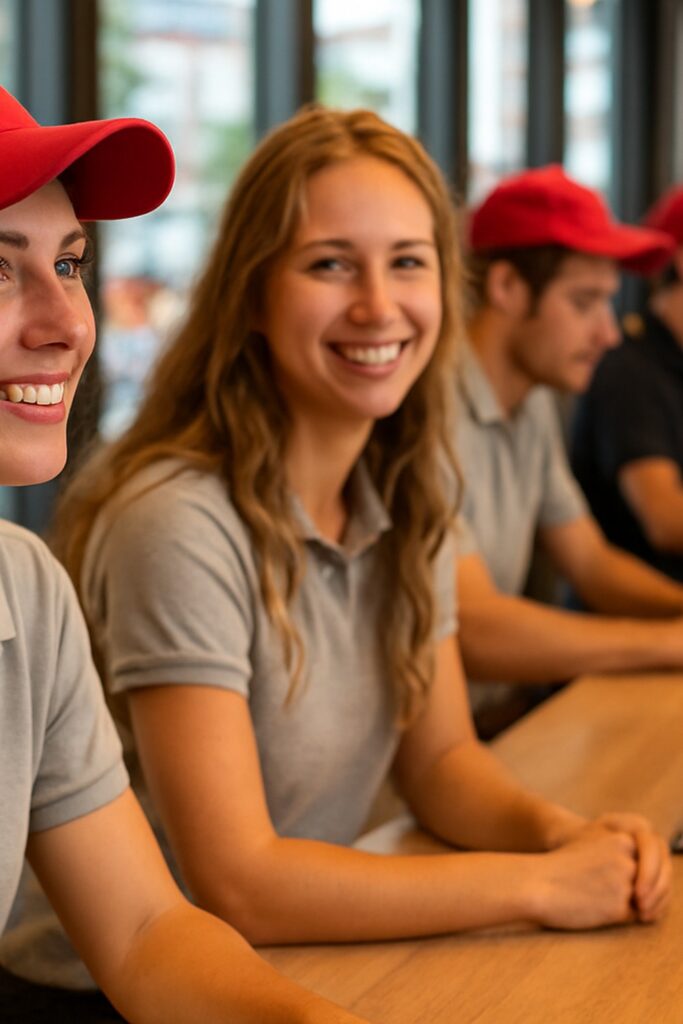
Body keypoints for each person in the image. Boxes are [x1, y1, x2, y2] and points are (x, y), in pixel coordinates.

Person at [4, 107, 671, 986]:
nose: (378, 305)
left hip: (288, 954)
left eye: (407, 262)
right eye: (330, 265)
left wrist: (565, 835)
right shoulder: (177, 519)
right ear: (249, 295)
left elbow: (438, 761)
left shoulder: (406, 490)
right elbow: (233, 887)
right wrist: (541, 883)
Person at [0, 85, 371, 1024]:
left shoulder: (26, 590)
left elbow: (144, 930)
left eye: (70, 263)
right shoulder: (168, 515)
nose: (68, 323)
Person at [452, 163, 683, 733]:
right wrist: (668, 643)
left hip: (488, 721)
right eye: (584, 303)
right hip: (428, 756)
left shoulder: (530, 402)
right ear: (506, 288)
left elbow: (590, 562)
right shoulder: (424, 413)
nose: (607, 332)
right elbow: (475, 631)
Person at [572, 184, 683, 584]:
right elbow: (666, 520)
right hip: (633, 626)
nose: (605, 332)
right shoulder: (630, 369)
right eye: (584, 301)